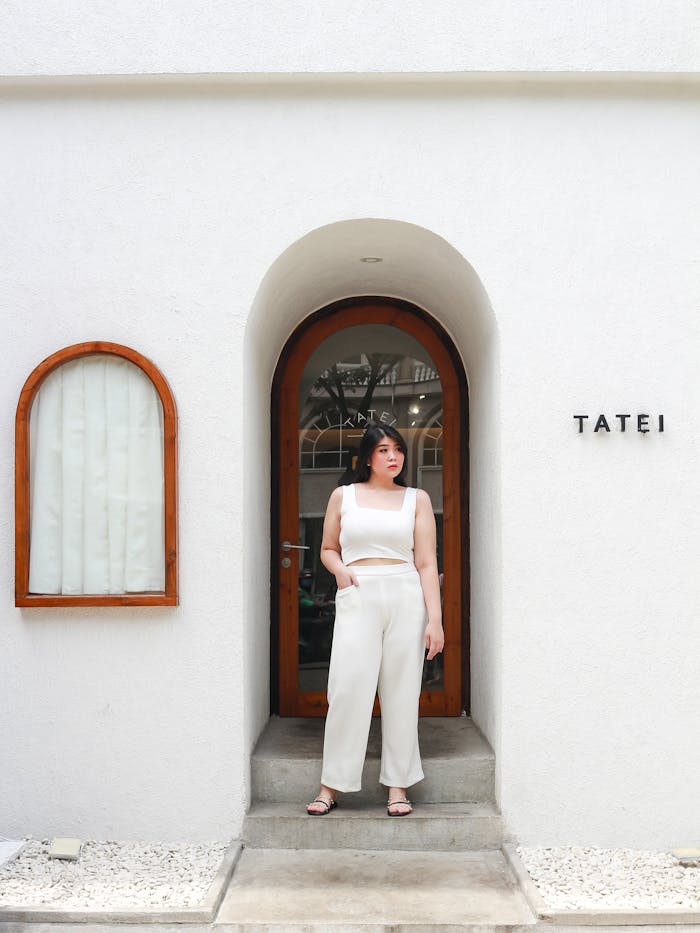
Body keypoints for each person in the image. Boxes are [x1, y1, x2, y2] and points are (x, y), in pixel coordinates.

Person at [306, 423, 444, 817]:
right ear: (367, 457)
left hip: (405, 594)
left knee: (402, 692)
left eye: (397, 449)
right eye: (383, 450)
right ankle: (331, 785)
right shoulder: (344, 496)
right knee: (348, 689)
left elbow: (426, 562)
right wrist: (341, 572)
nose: (393, 456)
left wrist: (435, 620)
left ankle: (398, 786)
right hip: (359, 591)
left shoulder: (416, 499)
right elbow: (328, 548)